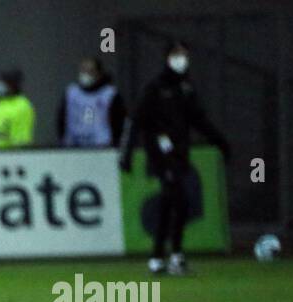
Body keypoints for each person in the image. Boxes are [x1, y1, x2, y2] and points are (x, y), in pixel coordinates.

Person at [120, 39, 230, 275]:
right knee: (177, 199)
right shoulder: (155, 88)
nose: (182, 60)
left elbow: (198, 119)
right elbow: (137, 120)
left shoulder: (186, 88)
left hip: (179, 153)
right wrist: (127, 153)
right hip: (161, 155)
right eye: (177, 55)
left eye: (184, 55)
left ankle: (161, 257)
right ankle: (170, 256)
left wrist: (219, 141)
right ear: (168, 57)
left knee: (174, 202)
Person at [57, 57, 125, 148]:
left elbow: (119, 122)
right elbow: (61, 119)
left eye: (90, 71)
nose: (86, 74)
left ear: (99, 73)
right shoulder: (71, 93)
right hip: (73, 146)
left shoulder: (109, 95)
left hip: (103, 146)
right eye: (83, 70)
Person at [0, 68, 35, 149]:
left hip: (7, 157)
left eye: (4, 83)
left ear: (13, 85)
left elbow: (21, 141)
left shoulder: (22, 106)